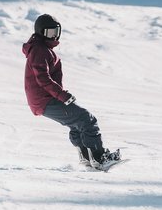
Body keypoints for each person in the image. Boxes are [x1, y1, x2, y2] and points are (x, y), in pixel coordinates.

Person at [22, 13, 121, 169]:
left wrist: (61, 94)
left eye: (56, 32)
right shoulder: (40, 50)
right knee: (87, 119)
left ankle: (87, 158)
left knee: (77, 123)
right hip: (45, 99)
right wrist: (62, 95)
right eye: (50, 33)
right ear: (41, 32)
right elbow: (43, 78)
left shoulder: (41, 49)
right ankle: (99, 158)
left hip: (43, 99)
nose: (54, 36)